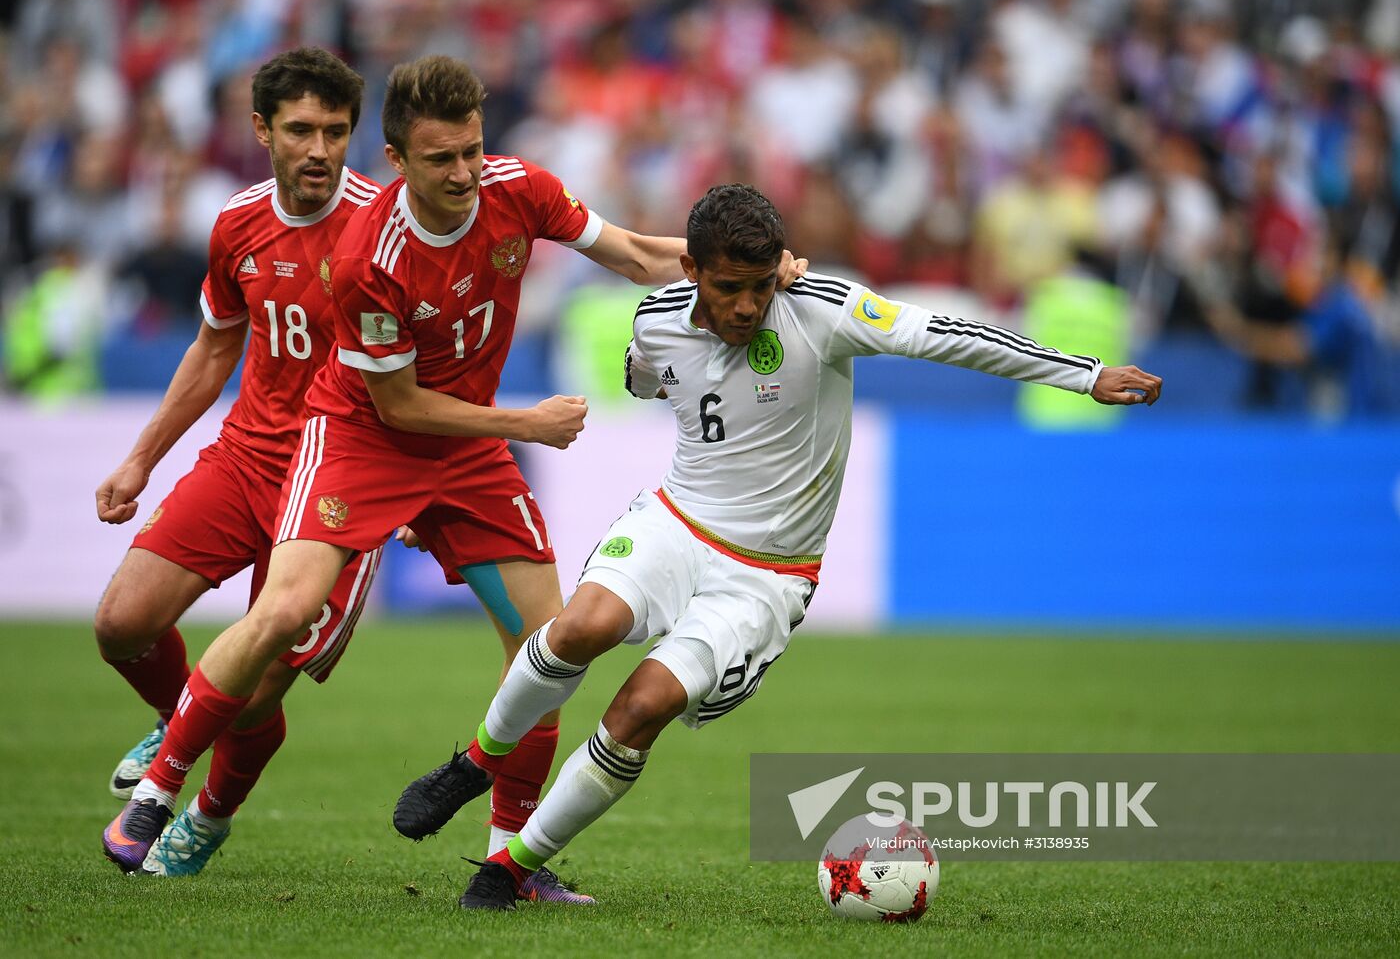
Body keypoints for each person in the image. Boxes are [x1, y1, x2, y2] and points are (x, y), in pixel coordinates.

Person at [102, 58, 803, 901]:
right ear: (397, 162)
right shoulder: (370, 257)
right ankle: (159, 791)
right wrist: (524, 423)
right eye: (442, 160)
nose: (467, 174)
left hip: (465, 454)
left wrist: (735, 269)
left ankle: (511, 862)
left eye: (473, 150)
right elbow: (397, 406)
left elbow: (628, 253)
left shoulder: (519, 189)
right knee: (281, 611)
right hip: (363, 438)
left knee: (551, 648)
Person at [394, 183, 1163, 911]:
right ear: (690, 270)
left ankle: (511, 869)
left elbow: (948, 339)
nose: (749, 304)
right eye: (729, 287)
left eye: (762, 284)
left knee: (644, 705)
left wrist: (1084, 375)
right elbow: (645, 375)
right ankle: (474, 764)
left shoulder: (822, 309)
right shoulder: (658, 317)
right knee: (578, 627)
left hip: (766, 573)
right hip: (675, 520)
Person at [95, 47, 384, 877]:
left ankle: (209, 817)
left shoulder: (383, 226)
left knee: (255, 689)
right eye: (301, 130)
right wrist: (140, 460)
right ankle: (180, 710)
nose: (320, 149)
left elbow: (426, 368)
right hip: (248, 456)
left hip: (339, 481)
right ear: (262, 131)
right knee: (121, 623)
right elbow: (216, 346)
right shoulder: (236, 222)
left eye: (336, 131)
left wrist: (418, 489)